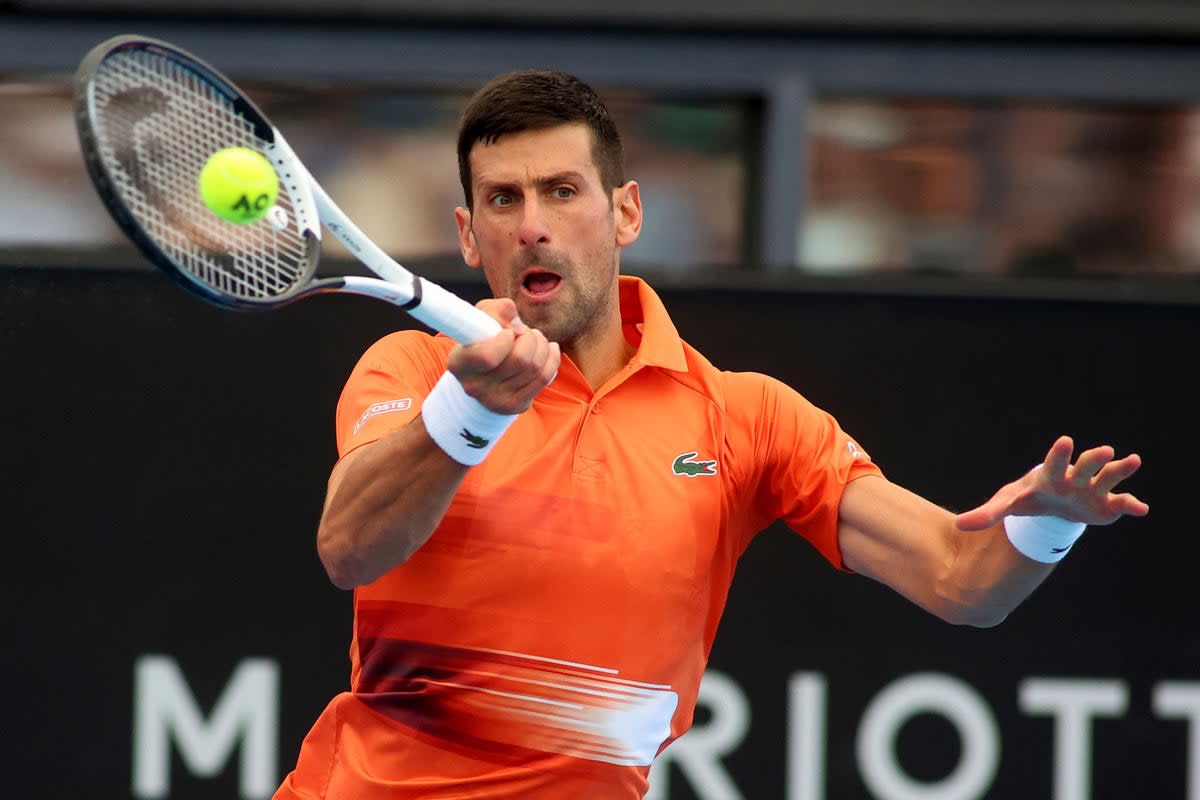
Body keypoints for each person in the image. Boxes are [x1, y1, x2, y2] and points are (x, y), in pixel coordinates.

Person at [272, 70, 1148, 800]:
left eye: (562, 191)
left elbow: (966, 584)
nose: (532, 222)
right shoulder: (419, 372)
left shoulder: (747, 419)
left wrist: (1048, 521)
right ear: (470, 234)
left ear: (625, 214)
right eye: (503, 198)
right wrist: (475, 413)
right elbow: (350, 547)